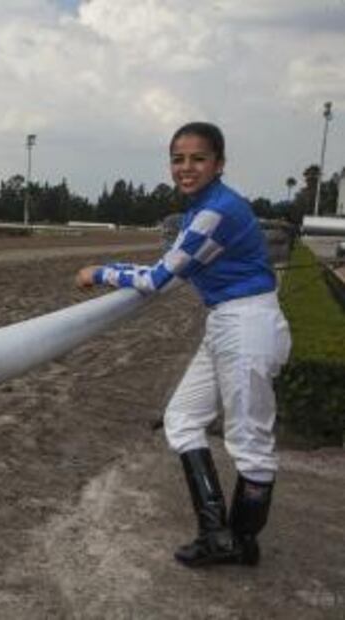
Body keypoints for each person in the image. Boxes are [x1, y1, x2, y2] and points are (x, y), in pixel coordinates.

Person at [75, 122, 291, 568]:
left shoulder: (217, 211)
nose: (186, 167)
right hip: (228, 323)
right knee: (182, 418)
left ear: (219, 164)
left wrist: (99, 272)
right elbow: (171, 266)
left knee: (249, 441)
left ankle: (241, 541)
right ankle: (218, 534)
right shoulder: (203, 210)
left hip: (246, 325)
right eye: (178, 158)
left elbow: (158, 279)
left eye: (198, 158)